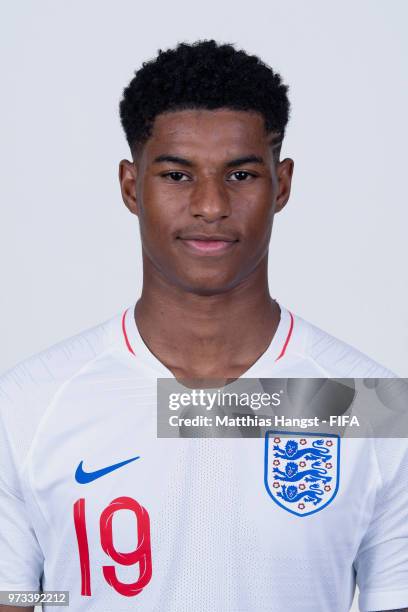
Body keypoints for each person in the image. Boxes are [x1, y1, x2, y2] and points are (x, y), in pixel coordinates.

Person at [0, 40, 406, 612]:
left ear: (282, 184)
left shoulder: (368, 403)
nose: (211, 204)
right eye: (176, 175)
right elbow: (14, 595)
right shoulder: (27, 405)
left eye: (240, 174)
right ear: (131, 186)